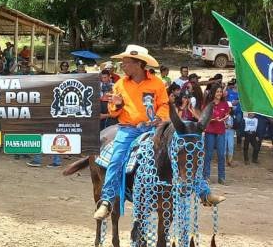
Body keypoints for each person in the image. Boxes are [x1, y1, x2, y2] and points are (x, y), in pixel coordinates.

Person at [93, 45, 226, 220]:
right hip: (128, 129)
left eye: (126, 62)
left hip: (154, 127)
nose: (122, 66)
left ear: (138, 64)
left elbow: (164, 104)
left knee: (186, 149)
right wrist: (117, 104)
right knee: (116, 159)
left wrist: (159, 117)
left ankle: (203, 192)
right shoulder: (119, 84)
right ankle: (107, 200)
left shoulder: (156, 83)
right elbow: (113, 111)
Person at [203, 85, 229, 185]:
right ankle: (206, 176)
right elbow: (204, 117)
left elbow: (227, 114)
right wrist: (213, 119)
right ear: (213, 92)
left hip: (221, 132)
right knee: (208, 155)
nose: (219, 93)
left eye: (220, 92)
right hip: (210, 132)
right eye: (217, 92)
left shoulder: (224, 104)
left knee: (221, 155)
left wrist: (225, 118)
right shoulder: (208, 104)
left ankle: (221, 177)